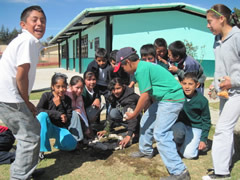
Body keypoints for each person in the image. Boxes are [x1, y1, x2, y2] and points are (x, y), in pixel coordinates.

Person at [114, 47, 190, 179]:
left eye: (122, 67)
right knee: (146, 121)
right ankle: (146, 150)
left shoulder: (142, 69)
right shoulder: (142, 68)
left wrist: (134, 114)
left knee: (161, 133)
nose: (123, 70)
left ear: (128, 62)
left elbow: (144, 96)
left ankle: (179, 172)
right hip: (163, 99)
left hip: (171, 99)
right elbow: (151, 91)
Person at [0, 5, 46, 179]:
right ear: (23, 24)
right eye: (34, 20)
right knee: (29, 137)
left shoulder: (29, 41)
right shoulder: (27, 41)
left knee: (34, 129)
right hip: (10, 97)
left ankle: (28, 170)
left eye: (42, 20)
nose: (39, 24)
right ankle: (19, 176)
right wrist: (27, 101)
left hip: (8, 96)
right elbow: (21, 76)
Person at [202, 4, 240, 180]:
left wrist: (233, 81)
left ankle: (221, 173)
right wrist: (216, 86)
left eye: (210, 21)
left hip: (238, 92)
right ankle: (224, 161)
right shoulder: (217, 40)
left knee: (222, 129)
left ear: (222, 19)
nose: (208, 25)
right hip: (226, 92)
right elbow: (219, 67)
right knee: (226, 128)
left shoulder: (238, 37)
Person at [171, 72, 211, 159]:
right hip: (182, 124)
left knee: (189, 155)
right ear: (181, 83)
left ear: (197, 85)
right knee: (176, 131)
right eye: (184, 83)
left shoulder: (202, 101)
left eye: (190, 84)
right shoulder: (178, 96)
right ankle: (180, 142)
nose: (187, 87)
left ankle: (196, 143)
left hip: (196, 127)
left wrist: (203, 139)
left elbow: (206, 121)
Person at [37, 73, 77, 158]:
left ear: (66, 86)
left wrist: (59, 106)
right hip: (46, 127)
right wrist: (57, 114)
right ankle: (41, 150)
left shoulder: (67, 100)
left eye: (63, 86)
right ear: (53, 86)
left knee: (72, 145)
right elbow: (38, 110)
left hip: (59, 128)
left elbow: (66, 121)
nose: (61, 89)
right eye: (58, 87)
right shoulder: (46, 96)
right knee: (42, 115)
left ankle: (58, 144)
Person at [97, 77, 140, 148]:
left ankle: (136, 131)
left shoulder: (130, 98)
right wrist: (106, 129)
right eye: (113, 89)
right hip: (128, 118)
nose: (116, 91)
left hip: (139, 119)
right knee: (113, 112)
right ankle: (131, 129)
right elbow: (110, 113)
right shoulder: (114, 96)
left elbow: (133, 117)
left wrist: (129, 135)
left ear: (123, 86)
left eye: (118, 88)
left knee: (127, 113)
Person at [66, 75, 94, 141]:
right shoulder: (66, 94)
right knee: (75, 113)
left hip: (77, 119)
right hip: (68, 119)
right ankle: (77, 139)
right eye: (77, 87)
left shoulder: (80, 96)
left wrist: (88, 127)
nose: (79, 90)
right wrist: (73, 109)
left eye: (82, 88)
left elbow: (83, 111)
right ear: (70, 86)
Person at [86, 48, 112, 114]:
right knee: (96, 103)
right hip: (96, 86)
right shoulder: (91, 66)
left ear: (107, 59)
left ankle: (108, 119)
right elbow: (87, 76)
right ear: (95, 59)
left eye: (104, 60)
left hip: (107, 86)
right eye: (99, 61)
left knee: (109, 102)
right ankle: (96, 120)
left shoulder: (110, 66)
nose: (101, 63)